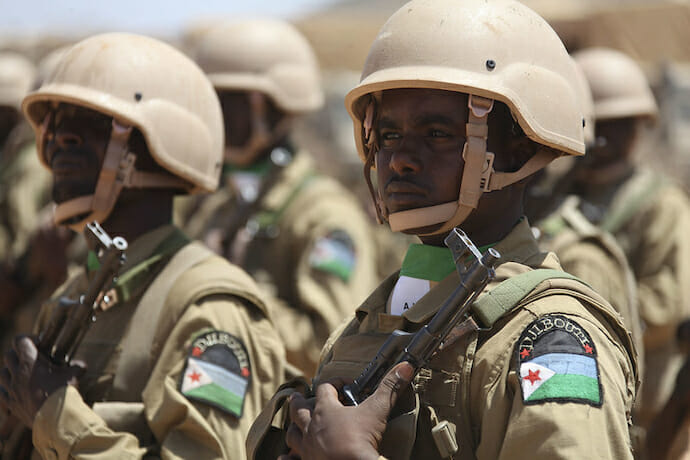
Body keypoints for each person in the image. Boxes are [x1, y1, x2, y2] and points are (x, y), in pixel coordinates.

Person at [248, 0, 638, 458]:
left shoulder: (551, 337)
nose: (398, 159)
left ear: (516, 149)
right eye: (389, 136)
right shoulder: (377, 314)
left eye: (437, 134)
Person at [0, 33, 285, 459]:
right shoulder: (74, 292)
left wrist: (53, 413)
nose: (60, 140)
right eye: (56, 123)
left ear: (163, 142)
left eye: (92, 122)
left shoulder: (209, 308)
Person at [182, 19, 378, 377]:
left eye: (225, 101)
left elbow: (333, 348)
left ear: (266, 106)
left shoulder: (323, 215)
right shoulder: (217, 204)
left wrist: (238, 294)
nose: (211, 115)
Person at [572, 47, 690, 431]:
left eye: (620, 123)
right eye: (596, 124)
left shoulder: (660, 204)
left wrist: (592, 318)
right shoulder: (559, 195)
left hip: (643, 406)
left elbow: (669, 301)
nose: (604, 137)